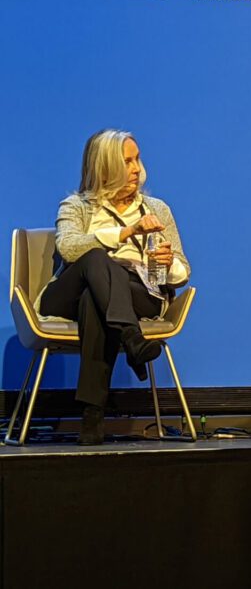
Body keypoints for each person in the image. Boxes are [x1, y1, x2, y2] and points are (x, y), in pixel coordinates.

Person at [38, 130, 190, 444]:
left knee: (94, 300)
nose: (136, 169)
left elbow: (182, 271)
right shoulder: (76, 206)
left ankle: (92, 414)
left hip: (138, 294)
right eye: (127, 162)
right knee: (96, 258)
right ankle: (131, 337)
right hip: (67, 295)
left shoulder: (157, 209)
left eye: (137, 159)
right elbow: (69, 248)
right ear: (105, 168)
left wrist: (164, 265)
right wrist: (126, 232)